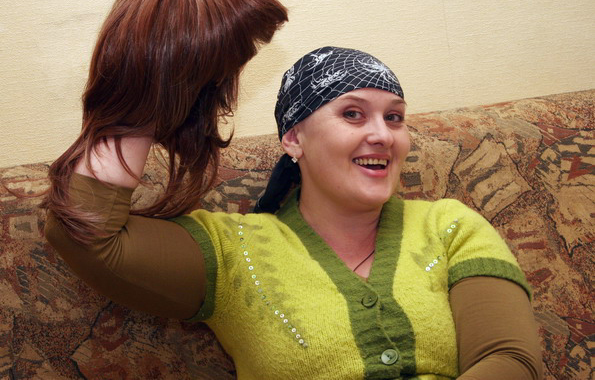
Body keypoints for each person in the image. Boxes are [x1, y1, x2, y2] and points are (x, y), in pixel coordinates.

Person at [44, 49, 543, 377]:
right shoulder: (234, 251)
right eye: (352, 114)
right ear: (293, 139)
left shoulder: (451, 226)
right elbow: (85, 234)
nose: (382, 135)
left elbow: (510, 360)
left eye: (394, 117)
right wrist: (146, 90)